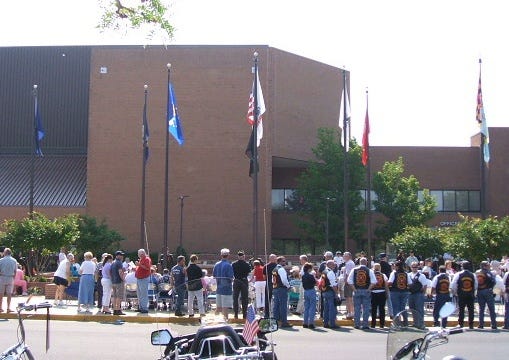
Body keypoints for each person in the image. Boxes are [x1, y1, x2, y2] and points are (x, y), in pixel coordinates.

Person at [348, 257, 377, 330]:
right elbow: (374, 281)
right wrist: (369, 289)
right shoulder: (369, 270)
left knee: (357, 308)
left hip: (357, 290)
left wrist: (354, 289)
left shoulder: (354, 270)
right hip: (366, 290)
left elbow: (349, 281)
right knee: (366, 308)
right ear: (366, 263)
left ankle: (356, 324)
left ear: (359, 262)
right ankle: (365, 325)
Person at [450, 261, 477, 329]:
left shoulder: (458, 274)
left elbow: (453, 285)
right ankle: (471, 324)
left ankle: (461, 323)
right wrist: (472, 290)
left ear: (462, 267)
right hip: (470, 294)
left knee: (461, 309)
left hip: (461, 294)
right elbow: (476, 285)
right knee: (471, 310)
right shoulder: (473, 275)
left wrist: (456, 292)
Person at [213, 248, 234, 320]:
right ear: (228, 255)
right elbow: (230, 277)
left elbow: (214, 275)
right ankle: (225, 323)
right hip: (226, 289)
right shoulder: (228, 265)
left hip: (219, 288)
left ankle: (213, 320)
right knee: (225, 307)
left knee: (218, 307)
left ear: (221, 255)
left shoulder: (216, 264)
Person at [271, 256, 292, 328]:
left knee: (276, 305)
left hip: (275, 288)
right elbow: (284, 280)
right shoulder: (281, 269)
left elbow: (272, 280)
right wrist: (288, 286)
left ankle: (276, 321)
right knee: (283, 306)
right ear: (279, 262)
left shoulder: (274, 269)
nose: (284, 262)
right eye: (283, 261)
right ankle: (284, 322)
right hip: (281, 288)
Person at [476, 260, 497, 329]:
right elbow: (494, 281)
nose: (489, 266)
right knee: (491, 308)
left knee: (481, 309)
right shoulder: (489, 272)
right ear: (485, 266)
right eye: (488, 265)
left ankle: (481, 324)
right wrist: (491, 288)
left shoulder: (477, 272)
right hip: (488, 291)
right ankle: (493, 324)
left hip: (479, 291)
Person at [407, 261, 428, 329]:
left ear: (418, 267)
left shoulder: (421, 275)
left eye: (416, 267)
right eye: (413, 267)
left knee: (419, 310)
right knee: (412, 309)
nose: (414, 268)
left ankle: (421, 324)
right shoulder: (408, 275)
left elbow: (425, 286)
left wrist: (423, 294)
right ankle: (415, 323)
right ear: (410, 267)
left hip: (418, 294)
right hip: (410, 294)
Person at [232, 250, 251, 319]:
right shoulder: (246, 264)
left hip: (236, 281)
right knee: (244, 299)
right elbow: (249, 273)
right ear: (243, 256)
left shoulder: (233, 264)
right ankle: (244, 315)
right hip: (244, 281)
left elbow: (232, 273)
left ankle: (236, 314)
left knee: (235, 298)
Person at [371, 263, 389, 328]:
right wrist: (387, 293)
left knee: (374, 309)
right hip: (382, 293)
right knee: (382, 309)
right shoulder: (383, 275)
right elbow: (386, 285)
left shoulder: (372, 274)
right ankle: (382, 324)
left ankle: (373, 324)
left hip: (373, 293)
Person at [0, 247, 18, 313]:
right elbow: (15, 271)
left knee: (1, 294)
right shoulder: (14, 260)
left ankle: (0, 308)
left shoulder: (1, 260)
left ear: (5, 253)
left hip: (2, 277)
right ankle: (8, 308)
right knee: (9, 294)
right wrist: (13, 278)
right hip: (10, 277)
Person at [135, 248, 152, 314]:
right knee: (139, 294)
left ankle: (144, 308)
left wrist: (139, 265)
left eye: (139, 254)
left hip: (143, 278)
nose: (138, 255)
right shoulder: (141, 259)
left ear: (142, 253)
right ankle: (141, 307)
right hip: (139, 278)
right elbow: (141, 268)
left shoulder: (147, 259)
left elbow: (147, 268)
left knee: (144, 294)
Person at [301, 262, 317, 329]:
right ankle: (311, 323)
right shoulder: (311, 276)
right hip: (311, 290)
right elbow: (315, 283)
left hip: (305, 291)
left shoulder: (303, 276)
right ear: (309, 269)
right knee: (312, 307)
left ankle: (305, 323)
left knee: (306, 307)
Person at [111, 250, 126, 316]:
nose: (122, 256)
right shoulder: (119, 262)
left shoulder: (113, 262)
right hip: (119, 281)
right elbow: (120, 272)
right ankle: (118, 310)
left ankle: (114, 309)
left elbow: (110, 272)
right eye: (121, 255)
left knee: (114, 296)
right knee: (119, 296)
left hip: (113, 281)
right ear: (117, 256)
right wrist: (123, 279)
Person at [262, 254, 277, 318]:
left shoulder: (266, 266)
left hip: (268, 284)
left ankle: (267, 314)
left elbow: (264, 277)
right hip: (276, 284)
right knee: (276, 300)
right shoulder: (277, 266)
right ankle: (276, 314)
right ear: (275, 259)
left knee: (267, 299)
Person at [342, 252, 356, 319]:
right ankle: (349, 313)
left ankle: (351, 313)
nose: (343, 257)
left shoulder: (349, 263)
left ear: (349, 256)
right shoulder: (351, 263)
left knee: (349, 298)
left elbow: (348, 273)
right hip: (350, 282)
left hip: (348, 283)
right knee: (348, 298)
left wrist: (346, 281)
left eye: (345, 256)